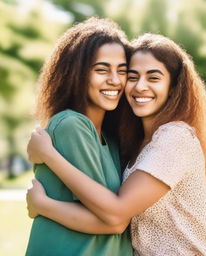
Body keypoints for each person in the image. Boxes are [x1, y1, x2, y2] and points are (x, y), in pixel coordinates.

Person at [27, 33, 206, 256]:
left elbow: (117, 215)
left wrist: (49, 162)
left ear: (173, 86)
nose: (140, 86)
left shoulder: (174, 138)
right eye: (132, 75)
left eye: (154, 78)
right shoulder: (136, 142)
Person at [25, 17, 133, 256]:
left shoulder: (109, 136)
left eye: (122, 71)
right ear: (77, 73)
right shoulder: (71, 124)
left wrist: (44, 205)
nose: (115, 80)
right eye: (102, 70)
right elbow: (114, 220)